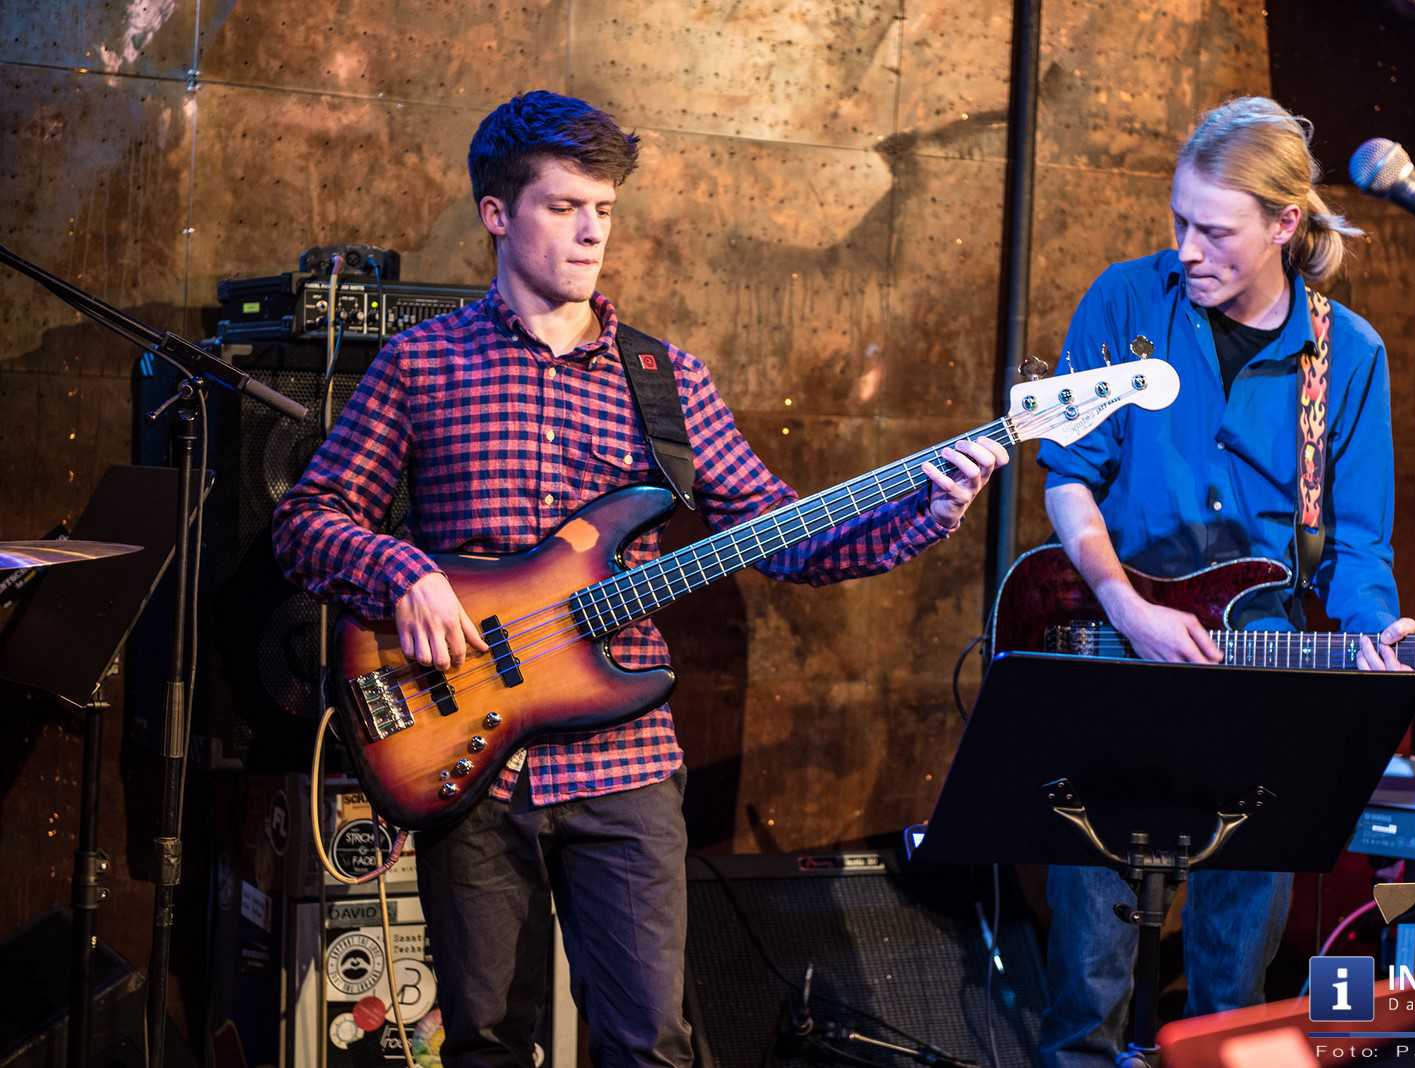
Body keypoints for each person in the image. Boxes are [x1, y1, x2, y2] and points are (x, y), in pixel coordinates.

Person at [271, 90, 1007, 1068]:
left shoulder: (667, 381)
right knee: (487, 1043)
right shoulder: (422, 364)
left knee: (651, 1045)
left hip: (625, 769)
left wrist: (929, 510)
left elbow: (780, 538)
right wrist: (401, 570)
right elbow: (307, 520)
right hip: (469, 758)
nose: (589, 233)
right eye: (563, 206)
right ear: (497, 213)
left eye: (604, 210)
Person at [1034, 96, 1415, 1067]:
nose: (1186, 247)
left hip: (1261, 685)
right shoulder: (1126, 301)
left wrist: (1371, 627)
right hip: (1115, 654)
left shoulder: (1350, 355)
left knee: (1229, 998)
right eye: (1178, 222)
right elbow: (1069, 478)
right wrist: (1127, 603)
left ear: (1285, 225)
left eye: (1213, 230)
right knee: (1084, 993)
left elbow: (1360, 543)